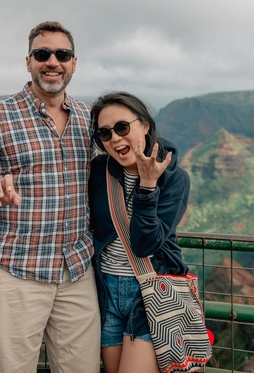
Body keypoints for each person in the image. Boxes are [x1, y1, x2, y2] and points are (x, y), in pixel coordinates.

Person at [0, 21, 100, 373]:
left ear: (74, 63)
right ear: (28, 61)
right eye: (42, 53)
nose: (52, 61)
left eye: (62, 54)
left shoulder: (86, 119)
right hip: (15, 272)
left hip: (76, 270)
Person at [88, 91, 190, 373]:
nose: (116, 139)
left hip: (149, 292)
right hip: (106, 290)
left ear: (145, 125)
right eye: (105, 134)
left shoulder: (173, 179)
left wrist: (147, 188)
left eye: (122, 127)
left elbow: (146, 244)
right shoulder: (100, 171)